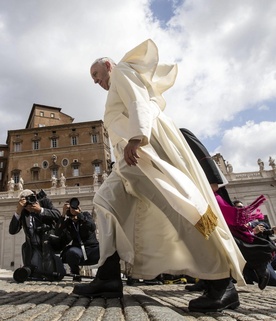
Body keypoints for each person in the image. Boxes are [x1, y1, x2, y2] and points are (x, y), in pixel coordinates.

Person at [73, 39, 246, 313]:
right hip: (129, 159)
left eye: (95, 75)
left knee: (180, 207)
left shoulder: (122, 72)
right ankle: (108, 276)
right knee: (106, 202)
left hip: (143, 150)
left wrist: (136, 137)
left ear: (108, 65)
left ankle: (221, 283)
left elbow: (138, 102)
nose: (95, 81)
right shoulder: (116, 82)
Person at [9, 189, 64, 281]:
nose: (29, 205)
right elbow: (12, 231)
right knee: (35, 275)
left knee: (52, 276)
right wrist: (18, 212)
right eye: (26, 203)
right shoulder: (23, 211)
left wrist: (41, 210)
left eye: (31, 200)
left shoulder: (45, 202)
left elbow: (58, 215)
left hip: (47, 244)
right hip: (33, 247)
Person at [55, 198, 100, 281]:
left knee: (105, 251)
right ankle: (75, 273)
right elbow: (57, 232)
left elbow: (92, 227)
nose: (72, 210)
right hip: (78, 249)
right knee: (71, 252)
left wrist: (80, 215)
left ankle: (102, 275)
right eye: (70, 208)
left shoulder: (85, 215)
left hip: (92, 248)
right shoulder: (69, 222)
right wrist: (63, 214)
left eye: (74, 207)